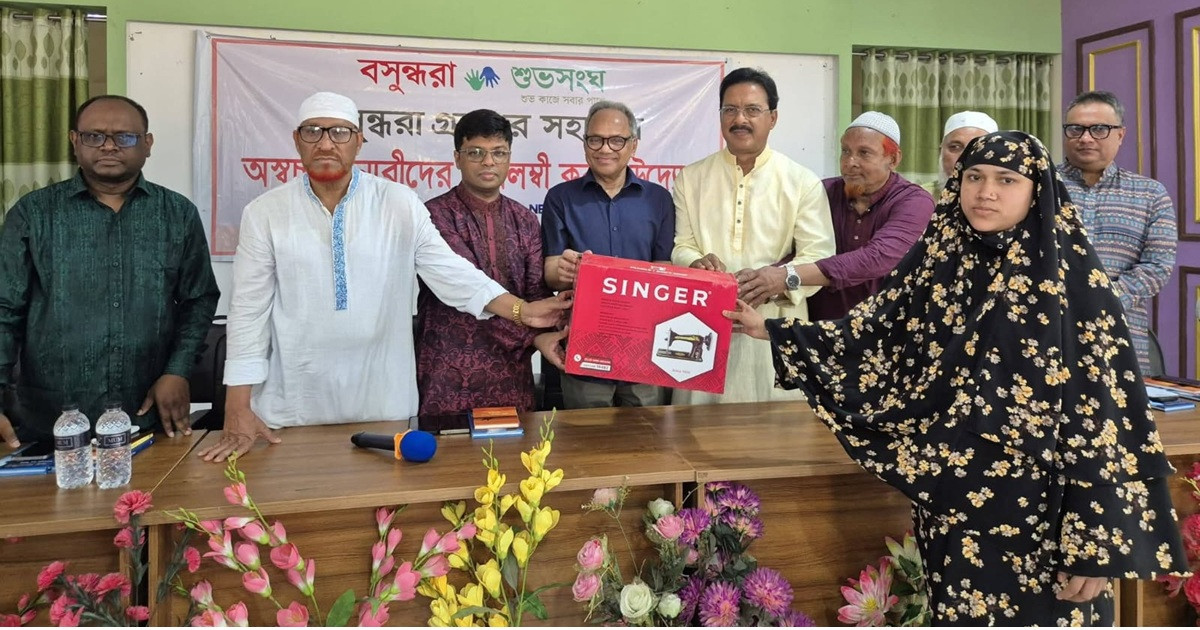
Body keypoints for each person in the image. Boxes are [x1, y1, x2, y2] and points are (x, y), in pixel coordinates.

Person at [728, 131, 1188, 625]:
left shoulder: (1075, 285)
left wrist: (1094, 544)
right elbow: (874, 332)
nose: (985, 192)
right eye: (974, 177)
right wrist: (772, 331)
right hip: (952, 505)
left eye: (1006, 180)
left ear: (1037, 190)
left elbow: (1106, 421)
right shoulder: (940, 261)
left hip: (1046, 518)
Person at [198, 92, 570, 462]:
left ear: (359, 141)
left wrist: (523, 311)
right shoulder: (264, 213)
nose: (326, 143)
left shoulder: (397, 202)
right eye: (313, 131)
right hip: (295, 400)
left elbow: (452, 273)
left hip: (383, 398)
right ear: (297, 140)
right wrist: (237, 406)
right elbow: (248, 312)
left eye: (340, 132)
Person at [0, 95, 219, 447]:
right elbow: (4, 309)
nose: (108, 146)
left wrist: (176, 370)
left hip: (149, 415)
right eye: (94, 136)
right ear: (75, 141)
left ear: (147, 144)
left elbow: (199, 300)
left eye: (125, 137)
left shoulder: (177, 214)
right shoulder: (33, 214)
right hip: (49, 420)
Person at [671, 67, 834, 404]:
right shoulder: (691, 177)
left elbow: (819, 258)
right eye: (730, 109)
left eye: (752, 110)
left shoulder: (801, 182)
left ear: (773, 118)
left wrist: (776, 280)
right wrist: (695, 263)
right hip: (703, 323)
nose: (740, 119)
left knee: (772, 430)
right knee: (695, 426)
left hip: (773, 324)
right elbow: (681, 245)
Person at [416, 109, 564, 415]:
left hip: (511, 373)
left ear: (509, 158)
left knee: (516, 446)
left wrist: (553, 323)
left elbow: (535, 292)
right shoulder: (433, 216)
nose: (488, 161)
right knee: (446, 447)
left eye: (498, 152)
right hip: (448, 374)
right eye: (476, 152)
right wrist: (534, 329)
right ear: (457, 158)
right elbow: (466, 288)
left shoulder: (524, 219)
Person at [541, 100, 673, 408]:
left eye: (616, 140)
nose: (605, 149)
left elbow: (664, 269)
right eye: (595, 139)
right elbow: (550, 272)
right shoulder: (560, 198)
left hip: (644, 346)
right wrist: (568, 269)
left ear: (633, 145)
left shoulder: (659, 199)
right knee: (587, 433)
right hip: (584, 344)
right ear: (584, 143)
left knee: (647, 432)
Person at [1059, 90, 1176, 374]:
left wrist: (1104, 298)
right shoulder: (1038, 187)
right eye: (1075, 129)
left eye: (1099, 129)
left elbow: (1158, 266)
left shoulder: (1150, 194)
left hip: (1120, 334)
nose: (1085, 138)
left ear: (1120, 135)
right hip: (1047, 330)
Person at [804, 111, 933, 320]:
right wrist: (763, 277)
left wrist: (788, 276)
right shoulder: (822, 192)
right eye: (845, 151)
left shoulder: (915, 201)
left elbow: (876, 258)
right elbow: (797, 248)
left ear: (893, 159)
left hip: (885, 329)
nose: (850, 162)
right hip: (819, 328)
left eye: (864, 153)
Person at [922, 110, 998, 195]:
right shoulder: (919, 197)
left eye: (978, 148)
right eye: (955, 147)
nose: (964, 157)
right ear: (941, 152)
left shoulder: (1007, 196)